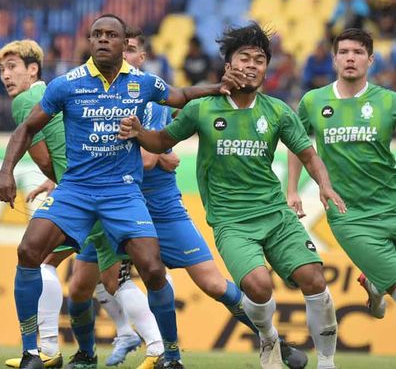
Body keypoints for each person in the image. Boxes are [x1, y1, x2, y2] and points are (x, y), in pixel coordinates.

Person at [0, 14, 244, 369]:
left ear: (123, 42)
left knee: (153, 269)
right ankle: (31, 351)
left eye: (111, 34)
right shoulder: (66, 85)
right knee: (28, 252)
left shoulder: (141, 83)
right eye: (97, 34)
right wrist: (6, 174)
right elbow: (26, 130)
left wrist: (216, 88)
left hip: (122, 194)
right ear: (90, 40)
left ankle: (170, 355)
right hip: (76, 191)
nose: (103, 40)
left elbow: (180, 95)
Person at [118, 23, 345, 369]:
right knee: (258, 287)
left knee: (314, 277)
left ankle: (327, 363)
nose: (252, 65)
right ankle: (268, 336)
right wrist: (139, 134)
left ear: (266, 69)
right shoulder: (202, 109)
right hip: (231, 221)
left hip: (275, 215)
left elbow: (309, 154)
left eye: (259, 60)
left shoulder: (278, 111)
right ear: (228, 66)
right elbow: (162, 142)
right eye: (244, 58)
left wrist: (324, 185)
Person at [0, 39, 162, 369]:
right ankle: (148, 347)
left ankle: (47, 349)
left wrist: (61, 184)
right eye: (1, 69)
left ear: (33, 70)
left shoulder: (27, 100)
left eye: (13, 67)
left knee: (42, 261)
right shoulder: (62, 90)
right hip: (111, 190)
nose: (5, 75)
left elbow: (43, 158)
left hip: (84, 198)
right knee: (105, 280)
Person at [287, 28, 396, 319]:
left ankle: (373, 279)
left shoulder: (389, 102)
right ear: (334, 59)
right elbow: (298, 145)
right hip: (349, 214)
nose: (351, 58)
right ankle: (379, 277)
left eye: (358, 52)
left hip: (391, 203)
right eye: (344, 52)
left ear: (371, 60)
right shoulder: (313, 101)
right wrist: (293, 189)